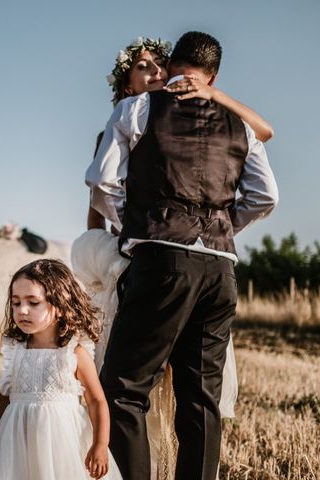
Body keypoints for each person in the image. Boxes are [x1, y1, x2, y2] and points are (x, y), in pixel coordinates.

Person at [74, 33, 272, 480]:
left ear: (173, 66)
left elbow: (101, 184)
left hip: (162, 262)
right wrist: (219, 227)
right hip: (222, 269)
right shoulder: (236, 123)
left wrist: (142, 225)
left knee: (123, 391)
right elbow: (265, 196)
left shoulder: (137, 110)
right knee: (201, 399)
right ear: (213, 77)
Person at [0, 259, 123, 480]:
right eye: (16, 303)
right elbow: (4, 398)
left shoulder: (73, 354)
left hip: (61, 446)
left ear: (60, 304)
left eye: (33, 302)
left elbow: (96, 401)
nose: (22, 310)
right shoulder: (15, 351)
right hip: (16, 443)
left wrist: (100, 444)